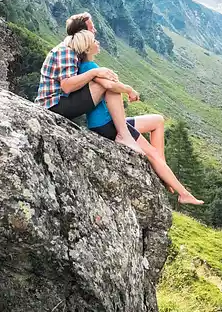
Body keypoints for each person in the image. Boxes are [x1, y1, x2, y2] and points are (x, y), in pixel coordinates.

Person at [71, 28, 203, 205]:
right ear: (87, 49)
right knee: (152, 154)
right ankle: (183, 194)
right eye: (94, 41)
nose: (98, 43)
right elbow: (110, 87)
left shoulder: (88, 67)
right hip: (106, 125)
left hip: (108, 120)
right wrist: (128, 89)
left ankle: (161, 167)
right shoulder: (89, 67)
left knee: (157, 120)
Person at [35, 13, 143, 153]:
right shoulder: (67, 51)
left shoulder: (74, 52)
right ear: (82, 33)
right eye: (91, 28)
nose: (95, 31)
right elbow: (67, 86)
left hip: (60, 102)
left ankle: (121, 131)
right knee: (104, 85)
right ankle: (123, 134)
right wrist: (95, 73)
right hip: (53, 105)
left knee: (105, 83)